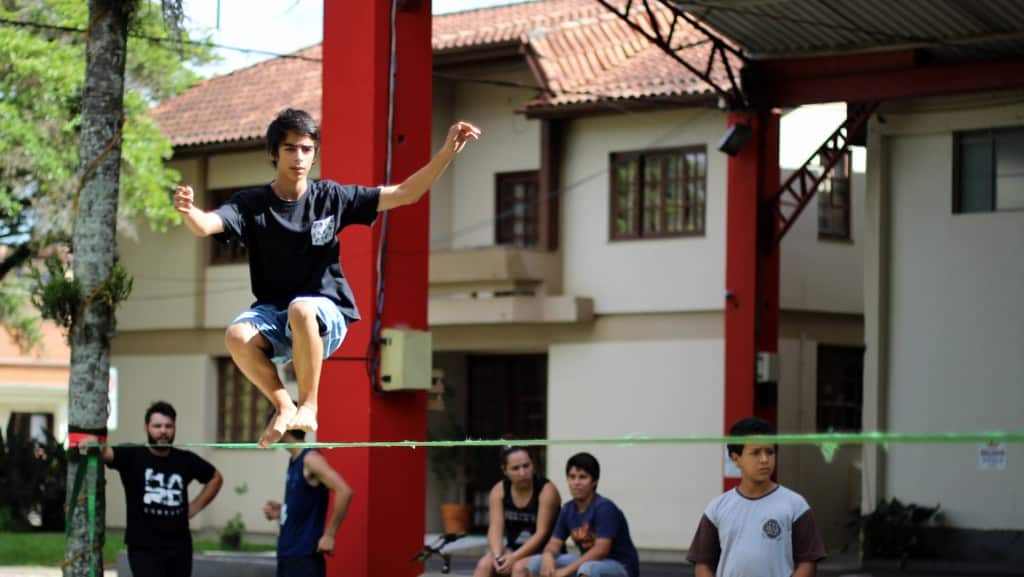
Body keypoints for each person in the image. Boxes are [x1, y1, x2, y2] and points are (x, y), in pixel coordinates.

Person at [173, 109, 481, 446]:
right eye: (290, 148)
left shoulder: (331, 197)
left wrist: (448, 152)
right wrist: (191, 213)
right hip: (274, 314)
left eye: (307, 149)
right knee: (236, 335)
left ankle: (309, 405)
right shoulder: (252, 204)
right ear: (274, 153)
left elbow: (407, 193)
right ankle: (284, 405)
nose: (299, 157)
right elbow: (207, 226)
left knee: (302, 308)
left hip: (325, 314)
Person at [87, 401, 223, 577]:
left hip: (179, 548)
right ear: (146, 428)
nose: (163, 431)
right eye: (157, 426)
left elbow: (215, 478)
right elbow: (105, 453)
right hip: (144, 549)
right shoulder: (132, 455)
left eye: (168, 426)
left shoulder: (185, 459)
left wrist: (194, 507)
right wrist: (93, 443)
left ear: (174, 428)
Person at [686, 417, 827, 577]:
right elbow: (703, 565)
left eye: (770, 452)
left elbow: (808, 562)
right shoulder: (716, 508)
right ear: (736, 458)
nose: (764, 460)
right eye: (755, 453)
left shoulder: (796, 505)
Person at [516, 452, 639, 577]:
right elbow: (554, 543)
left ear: (594, 482)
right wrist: (548, 555)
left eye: (582, 477)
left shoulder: (604, 508)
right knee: (536, 563)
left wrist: (566, 571)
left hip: (620, 566)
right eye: (572, 477)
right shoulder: (568, 509)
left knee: (588, 569)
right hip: (591, 562)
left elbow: (601, 550)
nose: (576, 482)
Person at [263, 426, 353, 577]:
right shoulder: (294, 460)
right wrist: (283, 511)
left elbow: (344, 491)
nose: (267, 431)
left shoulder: (310, 459)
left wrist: (329, 535)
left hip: (304, 558)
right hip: (288, 555)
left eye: (272, 423)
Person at [474, 446, 561, 576]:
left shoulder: (546, 491)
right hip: (512, 549)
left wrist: (514, 557)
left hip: (543, 552)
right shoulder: (499, 490)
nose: (522, 473)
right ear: (505, 470)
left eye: (526, 466)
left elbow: (541, 534)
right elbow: (495, 529)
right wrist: (498, 556)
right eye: (515, 468)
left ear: (533, 465)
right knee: (484, 565)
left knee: (519, 568)